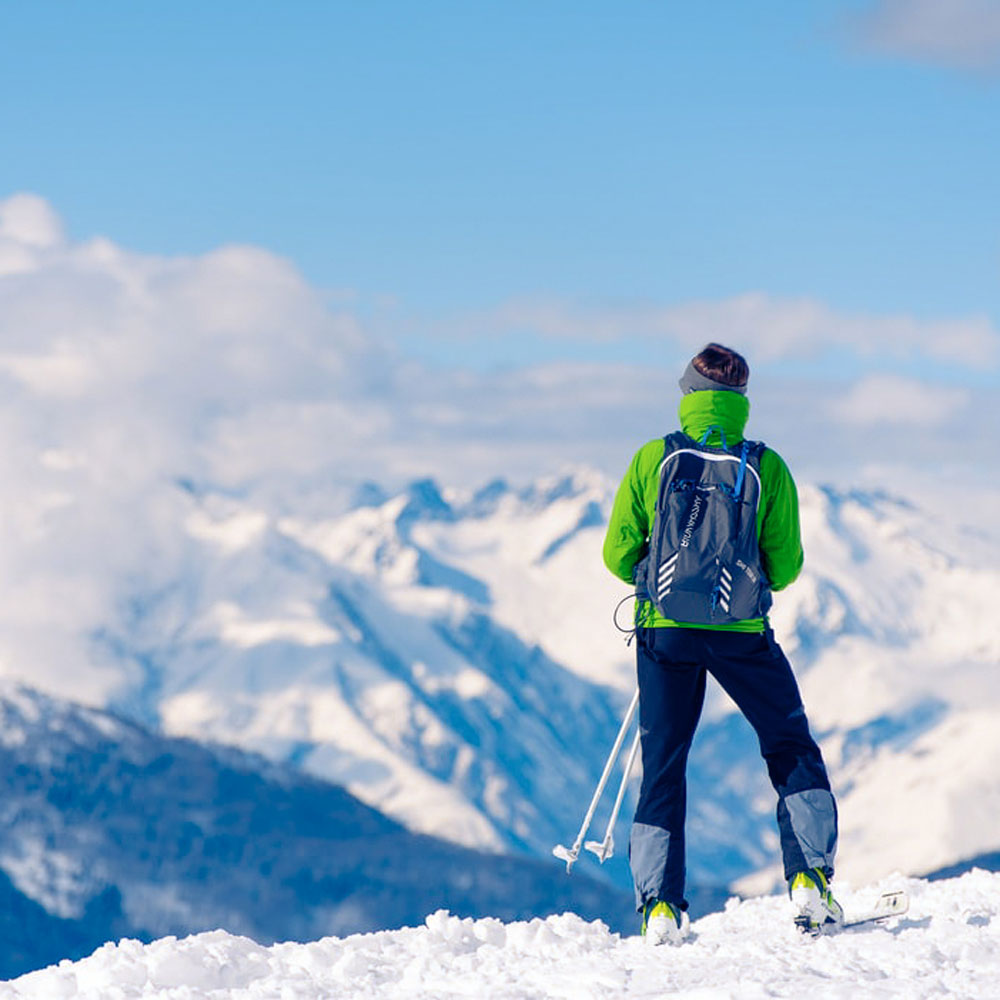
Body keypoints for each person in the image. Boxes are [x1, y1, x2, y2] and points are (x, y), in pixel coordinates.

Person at [602, 343, 840, 945]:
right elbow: (785, 566)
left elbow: (615, 553)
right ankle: (810, 879)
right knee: (788, 745)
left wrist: (658, 578)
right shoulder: (767, 465)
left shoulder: (653, 459)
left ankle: (660, 908)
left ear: (687, 393)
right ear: (742, 400)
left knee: (664, 764)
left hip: (665, 631)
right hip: (741, 635)